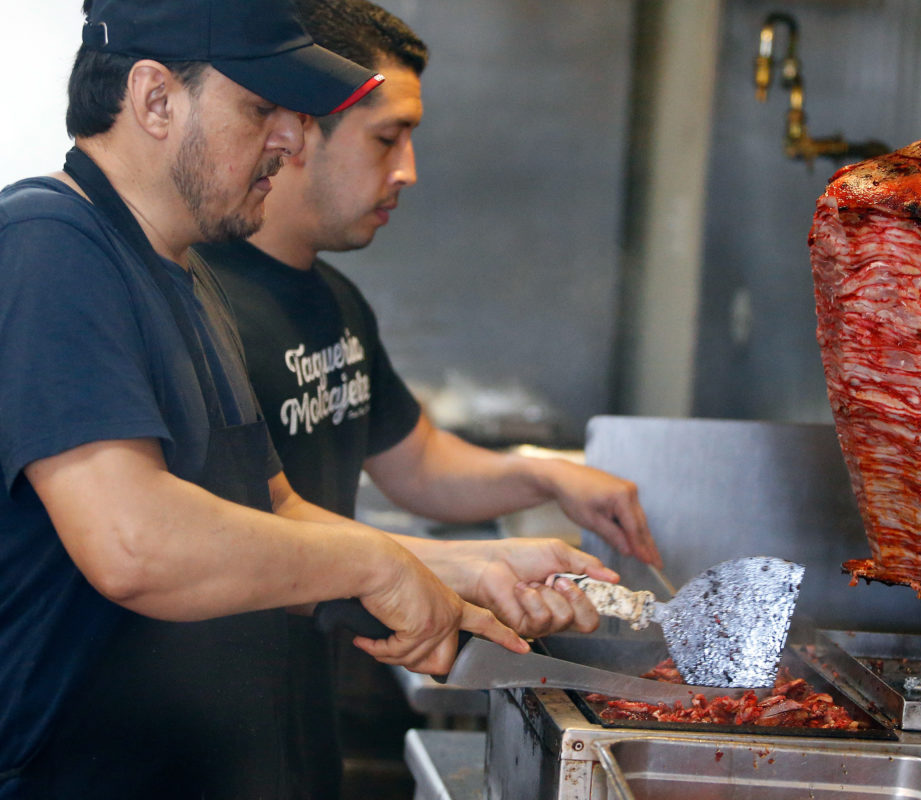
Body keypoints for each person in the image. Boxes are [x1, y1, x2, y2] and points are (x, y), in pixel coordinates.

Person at [0, 1, 620, 798]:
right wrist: (373, 562)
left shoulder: (185, 277)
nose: (288, 139)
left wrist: (476, 567)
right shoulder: (48, 244)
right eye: (261, 109)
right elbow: (134, 543)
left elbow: (277, 508)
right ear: (155, 99)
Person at [194, 1, 664, 795]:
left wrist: (543, 476)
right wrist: (471, 568)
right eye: (387, 138)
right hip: (202, 741)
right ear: (297, 131)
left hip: (297, 733)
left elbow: (413, 460)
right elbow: (228, 538)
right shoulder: (202, 306)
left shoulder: (334, 299)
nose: (408, 170)